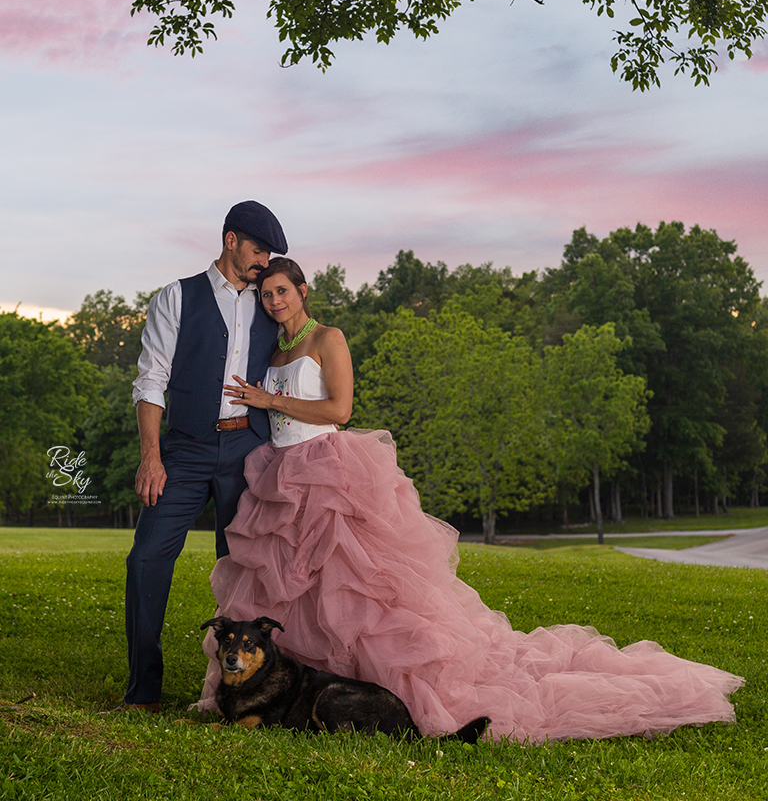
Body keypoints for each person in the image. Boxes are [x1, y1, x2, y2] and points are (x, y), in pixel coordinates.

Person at [195, 258, 743, 741]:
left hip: (326, 470)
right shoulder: (276, 345)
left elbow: (341, 411)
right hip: (281, 476)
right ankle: (284, 692)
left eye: (282, 291)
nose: (273, 300)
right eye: (265, 294)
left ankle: (382, 689)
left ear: (303, 290)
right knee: (295, 587)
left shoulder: (326, 338)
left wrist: (269, 396)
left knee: (355, 588)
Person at [120, 201, 288, 711]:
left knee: (241, 566)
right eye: (259, 250)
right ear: (231, 240)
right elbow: (151, 380)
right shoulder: (177, 297)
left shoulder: (269, 302)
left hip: (249, 449)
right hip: (184, 449)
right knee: (146, 559)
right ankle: (144, 688)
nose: (265, 262)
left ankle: (241, 691)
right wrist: (152, 456)